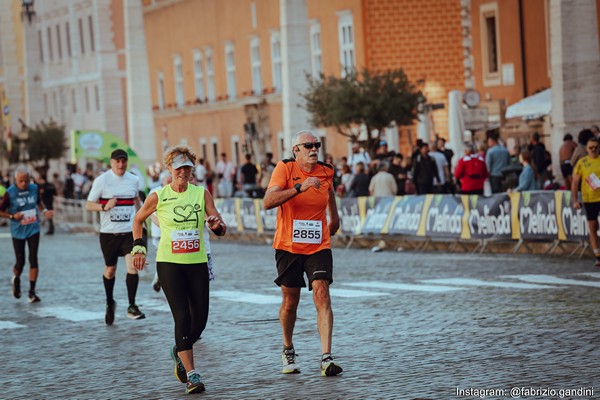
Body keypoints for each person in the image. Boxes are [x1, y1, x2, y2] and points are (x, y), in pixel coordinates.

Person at [131, 146, 226, 394]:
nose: (184, 171)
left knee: (200, 320)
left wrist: (216, 225)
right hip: (169, 264)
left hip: (196, 263)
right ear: (170, 169)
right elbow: (138, 220)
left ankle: (178, 348)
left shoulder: (200, 194)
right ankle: (192, 375)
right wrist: (138, 247)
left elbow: (219, 226)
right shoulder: (159, 196)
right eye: (179, 167)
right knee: (182, 317)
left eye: (187, 167)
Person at [263, 130, 343, 377]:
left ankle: (326, 357)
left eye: (317, 144)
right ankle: (288, 348)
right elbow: (268, 201)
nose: (314, 149)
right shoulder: (284, 169)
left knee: (322, 291)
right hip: (288, 246)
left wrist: (334, 217)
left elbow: (328, 191)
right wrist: (299, 187)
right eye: (308, 145)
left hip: (318, 244)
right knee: (290, 302)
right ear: (295, 150)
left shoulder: (326, 170)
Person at [85, 149, 144, 325]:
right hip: (109, 234)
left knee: (132, 266)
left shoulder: (134, 180)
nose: (120, 164)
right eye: (117, 161)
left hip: (128, 232)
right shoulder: (102, 181)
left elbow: (137, 202)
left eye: (123, 161)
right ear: (111, 163)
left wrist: (142, 218)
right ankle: (110, 302)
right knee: (110, 270)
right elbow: (89, 204)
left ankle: (132, 305)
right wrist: (105, 206)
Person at [0, 166, 54, 303]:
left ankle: (32, 292)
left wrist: (45, 211)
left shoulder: (34, 188)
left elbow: (38, 202)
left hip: (33, 228)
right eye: (20, 181)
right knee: (20, 261)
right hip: (18, 231)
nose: (24, 184)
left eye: (26, 180)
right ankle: (16, 278)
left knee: (33, 259)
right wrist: (12, 216)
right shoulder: (10, 193)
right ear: (15, 180)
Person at [572, 137, 600, 267]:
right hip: (589, 199)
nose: (593, 150)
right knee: (593, 226)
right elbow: (575, 182)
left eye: (596, 147)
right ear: (586, 149)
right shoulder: (582, 163)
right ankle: (598, 256)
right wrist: (575, 200)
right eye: (591, 148)